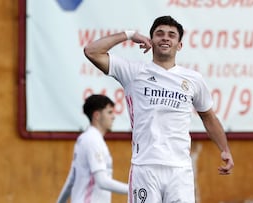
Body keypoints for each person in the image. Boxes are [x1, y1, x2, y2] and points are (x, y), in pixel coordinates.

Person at [84, 15, 234, 203]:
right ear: (151, 41)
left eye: (172, 35)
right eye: (159, 34)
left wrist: (225, 149)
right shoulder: (134, 72)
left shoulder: (193, 79)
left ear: (179, 45)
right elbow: (92, 51)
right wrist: (129, 35)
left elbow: (209, 117)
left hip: (180, 170)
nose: (165, 38)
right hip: (145, 167)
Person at [57, 94, 128, 203]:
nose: (113, 117)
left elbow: (71, 180)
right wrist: (134, 189)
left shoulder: (84, 139)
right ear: (97, 115)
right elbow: (102, 181)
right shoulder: (92, 140)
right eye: (109, 112)